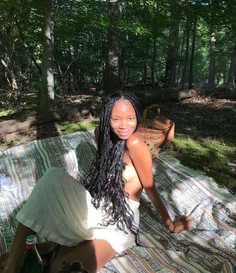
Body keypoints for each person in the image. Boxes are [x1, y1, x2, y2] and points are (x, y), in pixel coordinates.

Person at [0, 90, 192, 273]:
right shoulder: (101, 134)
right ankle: (13, 266)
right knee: (52, 178)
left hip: (119, 222)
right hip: (96, 207)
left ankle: (52, 250)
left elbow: (150, 188)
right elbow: (104, 174)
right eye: (116, 119)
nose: (124, 125)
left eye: (130, 118)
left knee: (60, 268)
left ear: (137, 117)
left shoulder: (135, 144)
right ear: (107, 117)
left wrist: (171, 225)